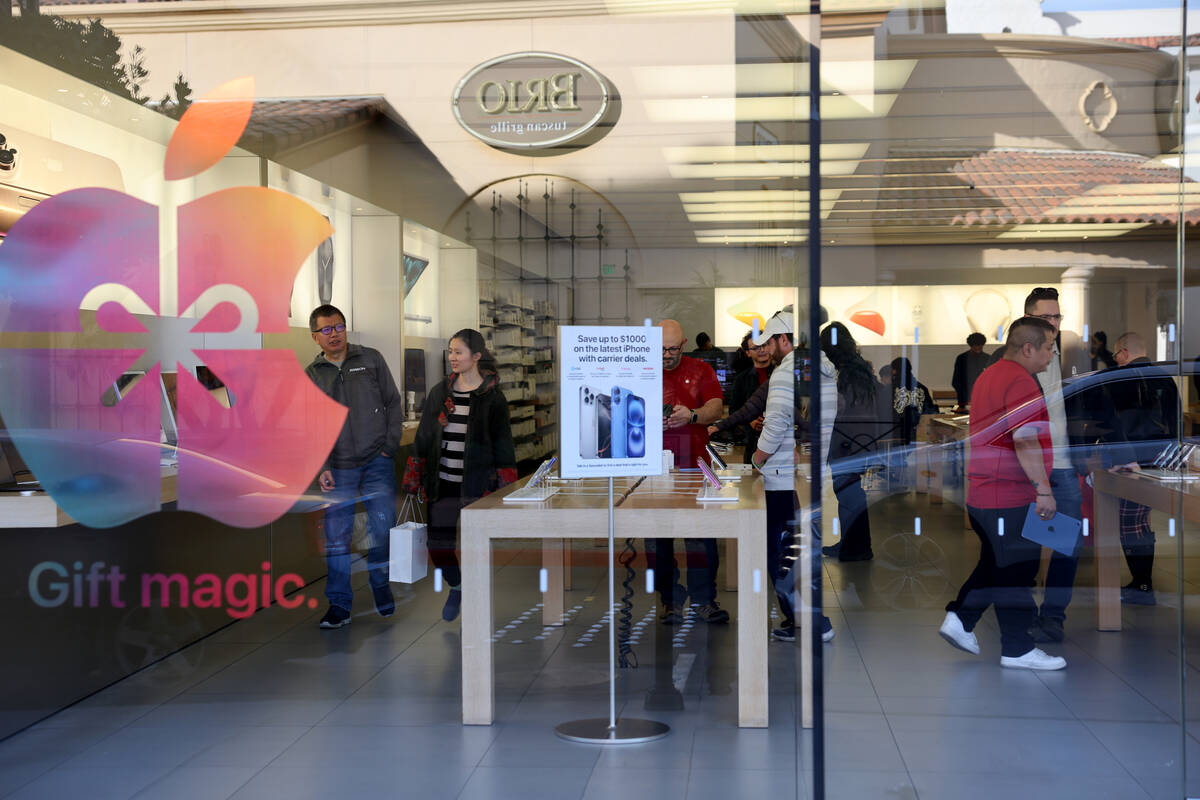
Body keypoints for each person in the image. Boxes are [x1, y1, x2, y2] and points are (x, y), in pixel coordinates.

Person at [939, 316, 1066, 670]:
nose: (1050, 357)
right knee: (1015, 572)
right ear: (1028, 347)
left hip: (983, 494)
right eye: (1048, 349)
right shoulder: (1020, 381)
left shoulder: (989, 376)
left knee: (997, 566)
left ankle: (964, 620)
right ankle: (1017, 648)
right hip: (1007, 494)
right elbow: (1024, 439)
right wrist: (1043, 489)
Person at [305, 304, 404, 629]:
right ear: (315, 337)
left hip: (377, 460)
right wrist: (322, 465)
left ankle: (380, 585)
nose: (334, 334)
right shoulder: (313, 374)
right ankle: (339, 605)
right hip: (339, 467)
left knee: (382, 528)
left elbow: (392, 401)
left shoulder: (371, 358)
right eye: (326, 330)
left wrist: (390, 447)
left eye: (339, 327)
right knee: (336, 537)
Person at [414, 329, 516, 622]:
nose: (452, 358)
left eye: (458, 352)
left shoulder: (492, 398)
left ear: (477, 357)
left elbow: (504, 446)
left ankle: (475, 594)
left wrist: (504, 489)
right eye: (450, 352)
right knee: (438, 545)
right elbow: (423, 437)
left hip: (476, 485)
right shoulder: (439, 393)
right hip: (443, 483)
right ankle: (456, 586)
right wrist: (417, 476)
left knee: (475, 547)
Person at [749, 309, 835, 644]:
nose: (766, 349)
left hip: (783, 475)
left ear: (784, 339)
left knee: (779, 551)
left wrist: (757, 460)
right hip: (806, 472)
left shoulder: (787, 373)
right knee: (795, 548)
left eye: (770, 341)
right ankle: (807, 618)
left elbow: (777, 421)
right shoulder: (819, 366)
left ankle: (809, 619)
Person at [1091, 332, 1179, 605]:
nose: (1115, 360)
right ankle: (1142, 581)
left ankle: (1141, 583)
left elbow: (1115, 423)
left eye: (1116, 355)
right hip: (1160, 457)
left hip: (1131, 458)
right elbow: (1174, 420)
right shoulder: (1165, 377)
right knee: (1140, 519)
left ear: (1124, 352)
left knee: (1130, 523)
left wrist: (1121, 456)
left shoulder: (1123, 380)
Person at [652, 319, 728, 624]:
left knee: (700, 536)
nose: (667, 355)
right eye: (661, 349)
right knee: (658, 538)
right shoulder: (642, 369)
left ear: (683, 344)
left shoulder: (701, 370)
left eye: (672, 349)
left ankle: (704, 600)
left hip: (694, 464)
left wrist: (693, 415)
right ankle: (670, 601)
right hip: (655, 467)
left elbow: (716, 407)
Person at [1020, 287, 1084, 644]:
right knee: (1026, 545)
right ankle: (1025, 614)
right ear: (1028, 318)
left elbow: (1090, 403)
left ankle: (1053, 616)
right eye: (1046, 317)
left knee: (1065, 545)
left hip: (1063, 466)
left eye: (1057, 317)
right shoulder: (1016, 359)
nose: (1053, 324)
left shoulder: (1073, 354)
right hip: (1028, 467)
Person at [819, 322, 892, 562]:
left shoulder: (844, 372)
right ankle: (852, 545)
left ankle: (857, 548)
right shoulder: (859, 368)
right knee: (851, 493)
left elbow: (840, 408)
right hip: (860, 441)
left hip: (847, 441)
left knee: (849, 494)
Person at [707, 330, 773, 462]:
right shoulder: (741, 380)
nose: (762, 350)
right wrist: (750, 421)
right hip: (753, 442)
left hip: (780, 442)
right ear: (748, 352)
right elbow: (734, 410)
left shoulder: (782, 374)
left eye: (764, 345)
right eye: (756, 347)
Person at [890, 356, 939, 445]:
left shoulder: (891, 388)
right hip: (919, 431)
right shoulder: (921, 387)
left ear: (894, 371)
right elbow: (929, 410)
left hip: (895, 431)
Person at [951, 332, 990, 410]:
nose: (978, 348)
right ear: (971, 345)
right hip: (964, 399)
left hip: (984, 398)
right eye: (975, 346)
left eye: (980, 346)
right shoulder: (962, 358)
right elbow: (956, 381)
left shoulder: (988, 358)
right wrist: (963, 396)